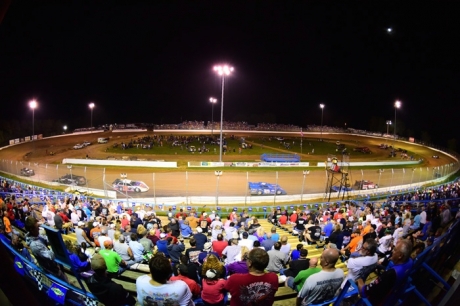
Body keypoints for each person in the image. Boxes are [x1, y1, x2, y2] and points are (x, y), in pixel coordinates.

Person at [357, 239, 414, 305]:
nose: (392, 251)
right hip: (392, 296)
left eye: (395, 250)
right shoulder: (410, 262)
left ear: (400, 256)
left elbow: (364, 291)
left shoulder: (391, 274)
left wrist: (359, 279)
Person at [25, 217, 68, 282]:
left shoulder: (36, 236)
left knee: (65, 278)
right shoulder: (35, 246)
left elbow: (47, 239)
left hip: (56, 267)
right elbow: (50, 256)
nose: (39, 229)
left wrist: (54, 238)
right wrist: (56, 245)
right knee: (64, 284)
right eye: (37, 227)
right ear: (31, 230)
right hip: (52, 272)